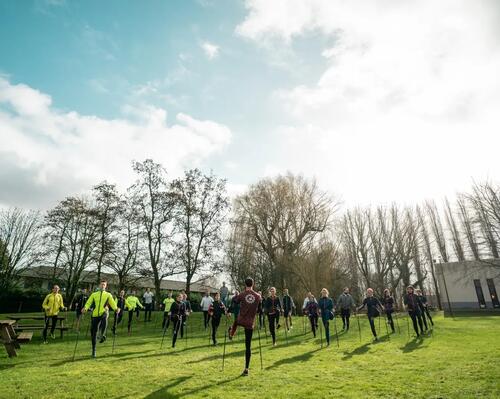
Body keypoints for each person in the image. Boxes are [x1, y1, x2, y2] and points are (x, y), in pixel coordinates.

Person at [229, 277, 261, 376]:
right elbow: (260, 310)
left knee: (236, 322)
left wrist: (230, 308)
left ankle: (231, 333)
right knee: (248, 346)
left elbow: (234, 302)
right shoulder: (258, 296)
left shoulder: (242, 294)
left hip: (241, 320)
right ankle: (246, 369)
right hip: (250, 323)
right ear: (253, 284)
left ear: (245, 284)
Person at [82, 280, 120, 358]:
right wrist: (85, 308)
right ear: (99, 285)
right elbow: (88, 302)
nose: (103, 286)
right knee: (93, 333)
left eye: (104, 285)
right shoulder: (94, 294)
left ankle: (102, 334)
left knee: (105, 316)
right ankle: (94, 350)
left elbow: (112, 303)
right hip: (95, 315)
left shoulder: (108, 295)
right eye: (102, 284)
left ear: (106, 286)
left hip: (103, 312)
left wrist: (116, 309)